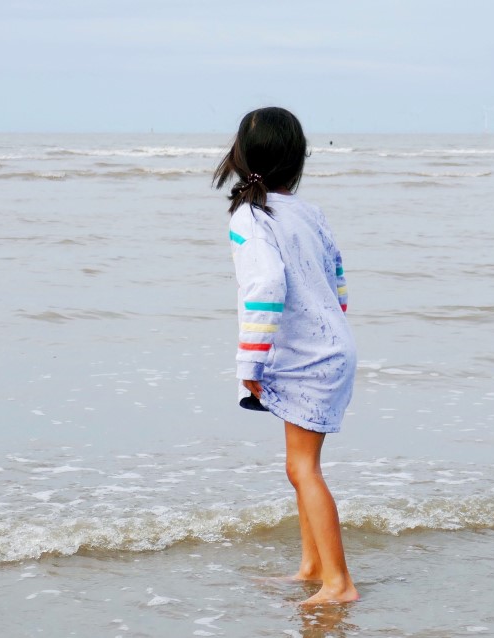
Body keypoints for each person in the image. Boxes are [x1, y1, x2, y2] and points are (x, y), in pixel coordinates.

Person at [213, 107, 359, 606]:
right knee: (299, 465)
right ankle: (312, 567)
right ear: (297, 160)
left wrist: (249, 364)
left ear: (240, 156)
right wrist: (332, 321)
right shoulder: (307, 212)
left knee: (303, 469)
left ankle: (339, 584)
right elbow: (337, 276)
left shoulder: (249, 217)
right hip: (329, 348)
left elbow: (266, 285)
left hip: (307, 357)